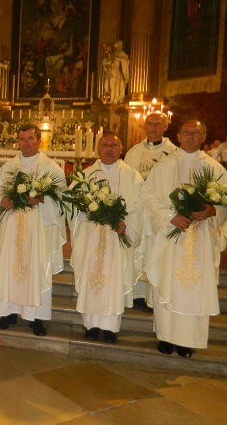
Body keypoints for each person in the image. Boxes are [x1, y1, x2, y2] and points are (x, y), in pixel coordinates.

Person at [143, 119, 227, 358]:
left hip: (201, 240)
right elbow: (148, 197)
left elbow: (224, 202)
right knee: (169, 283)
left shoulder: (216, 169)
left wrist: (213, 211)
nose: (191, 136)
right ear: (178, 136)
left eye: (196, 132)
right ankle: (165, 337)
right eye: (186, 132)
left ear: (204, 137)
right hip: (171, 238)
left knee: (193, 289)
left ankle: (188, 341)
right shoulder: (164, 166)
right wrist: (171, 217)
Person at [0, 125, 67, 335]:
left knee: (36, 270)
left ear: (39, 141)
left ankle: (37, 317)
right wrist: (2, 200)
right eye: (22, 139)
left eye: (30, 138)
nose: (26, 143)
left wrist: (42, 198)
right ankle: (7, 313)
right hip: (11, 230)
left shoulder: (51, 168)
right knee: (9, 269)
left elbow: (61, 200)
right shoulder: (9, 167)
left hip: (38, 231)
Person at [70, 132, 144, 344]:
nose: (109, 149)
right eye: (105, 145)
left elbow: (139, 207)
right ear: (98, 149)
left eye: (114, 145)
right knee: (91, 279)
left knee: (114, 280)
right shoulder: (86, 175)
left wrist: (126, 224)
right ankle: (90, 325)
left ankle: (110, 327)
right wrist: (86, 212)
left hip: (117, 239)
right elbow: (72, 205)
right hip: (91, 237)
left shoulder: (132, 176)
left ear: (121, 149)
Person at [124, 112, 178, 308]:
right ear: (144, 126)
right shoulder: (133, 153)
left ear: (165, 127)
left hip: (159, 212)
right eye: (150, 124)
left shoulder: (174, 153)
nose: (154, 128)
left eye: (158, 124)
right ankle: (136, 293)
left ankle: (153, 295)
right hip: (137, 211)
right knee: (136, 247)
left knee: (155, 250)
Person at [109, 40, 130, 104]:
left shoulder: (122, 53)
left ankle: (116, 98)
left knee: (118, 86)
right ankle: (112, 98)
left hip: (118, 72)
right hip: (112, 71)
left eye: (117, 46)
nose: (116, 48)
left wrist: (119, 59)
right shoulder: (114, 54)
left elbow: (126, 61)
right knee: (112, 86)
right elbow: (110, 61)